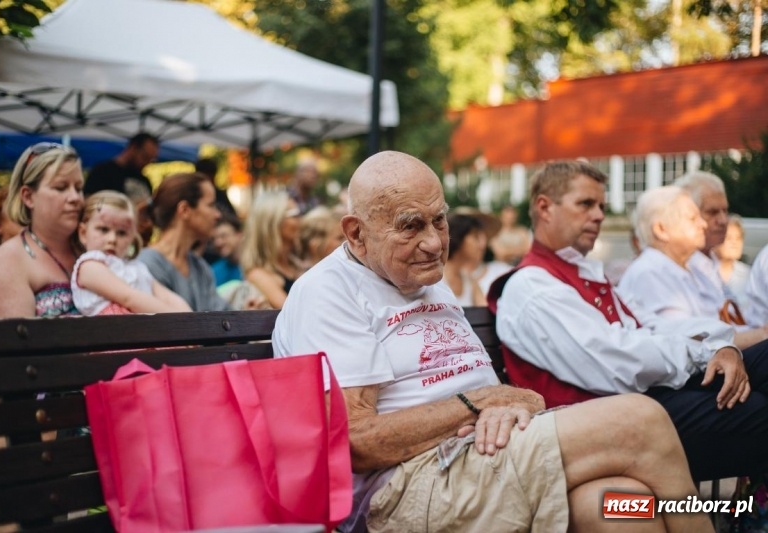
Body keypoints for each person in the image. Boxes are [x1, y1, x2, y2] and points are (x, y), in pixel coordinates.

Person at [273, 151, 711, 533]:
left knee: (616, 504)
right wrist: (480, 402)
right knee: (640, 420)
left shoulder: (421, 280)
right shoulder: (328, 293)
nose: (433, 242)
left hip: (477, 455)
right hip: (405, 490)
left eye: (439, 220)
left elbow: (499, 398)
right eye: (411, 226)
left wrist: (511, 403)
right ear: (355, 233)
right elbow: (358, 442)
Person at [490, 160, 768, 481]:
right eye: (586, 204)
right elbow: (618, 363)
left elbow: (649, 325)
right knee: (758, 409)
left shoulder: (579, 272)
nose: (598, 215)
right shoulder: (533, 286)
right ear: (544, 208)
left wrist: (720, 346)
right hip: (606, 431)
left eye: (601, 206)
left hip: (643, 403)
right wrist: (705, 352)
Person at [618, 187, 767, 349]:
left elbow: (717, 329)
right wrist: (760, 335)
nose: (703, 224)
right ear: (661, 229)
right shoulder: (649, 273)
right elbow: (688, 343)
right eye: (692, 218)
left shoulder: (689, 267)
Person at [0, 143, 83, 318]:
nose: (75, 197)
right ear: (28, 197)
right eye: (61, 187)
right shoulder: (10, 260)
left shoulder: (93, 246)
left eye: (79, 188)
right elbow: (15, 343)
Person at [71, 191, 191, 315]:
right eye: (103, 229)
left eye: (122, 233)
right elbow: (128, 298)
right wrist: (177, 318)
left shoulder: (137, 268)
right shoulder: (89, 266)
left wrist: (189, 316)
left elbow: (168, 297)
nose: (112, 239)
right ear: (83, 233)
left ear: (132, 239)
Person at [138, 172, 229, 311]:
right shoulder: (146, 265)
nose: (218, 214)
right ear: (184, 210)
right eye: (211, 205)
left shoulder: (200, 266)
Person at [673, 171, 732, 317]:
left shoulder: (711, 259)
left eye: (725, 211)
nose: (723, 220)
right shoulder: (679, 265)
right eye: (712, 212)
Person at [84, 132, 160, 244]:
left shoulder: (145, 180)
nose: (147, 163)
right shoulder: (103, 172)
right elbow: (89, 205)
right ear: (133, 147)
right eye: (144, 156)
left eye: (151, 159)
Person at [240, 190, 303, 309]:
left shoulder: (296, 265)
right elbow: (293, 313)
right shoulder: (258, 274)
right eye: (294, 214)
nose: (300, 219)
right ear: (274, 221)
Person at [444, 212, 487, 306]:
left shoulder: (470, 282)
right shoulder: (435, 280)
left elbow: (484, 310)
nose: (481, 245)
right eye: (475, 237)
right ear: (459, 236)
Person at [713, 215, 751, 311]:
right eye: (728, 238)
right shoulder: (702, 271)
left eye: (738, 238)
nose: (734, 243)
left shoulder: (750, 275)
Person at [210, 212, 245, 286]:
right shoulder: (213, 272)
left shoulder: (258, 264)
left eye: (224, 236)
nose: (218, 243)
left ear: (239, 235)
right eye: (214, 239)